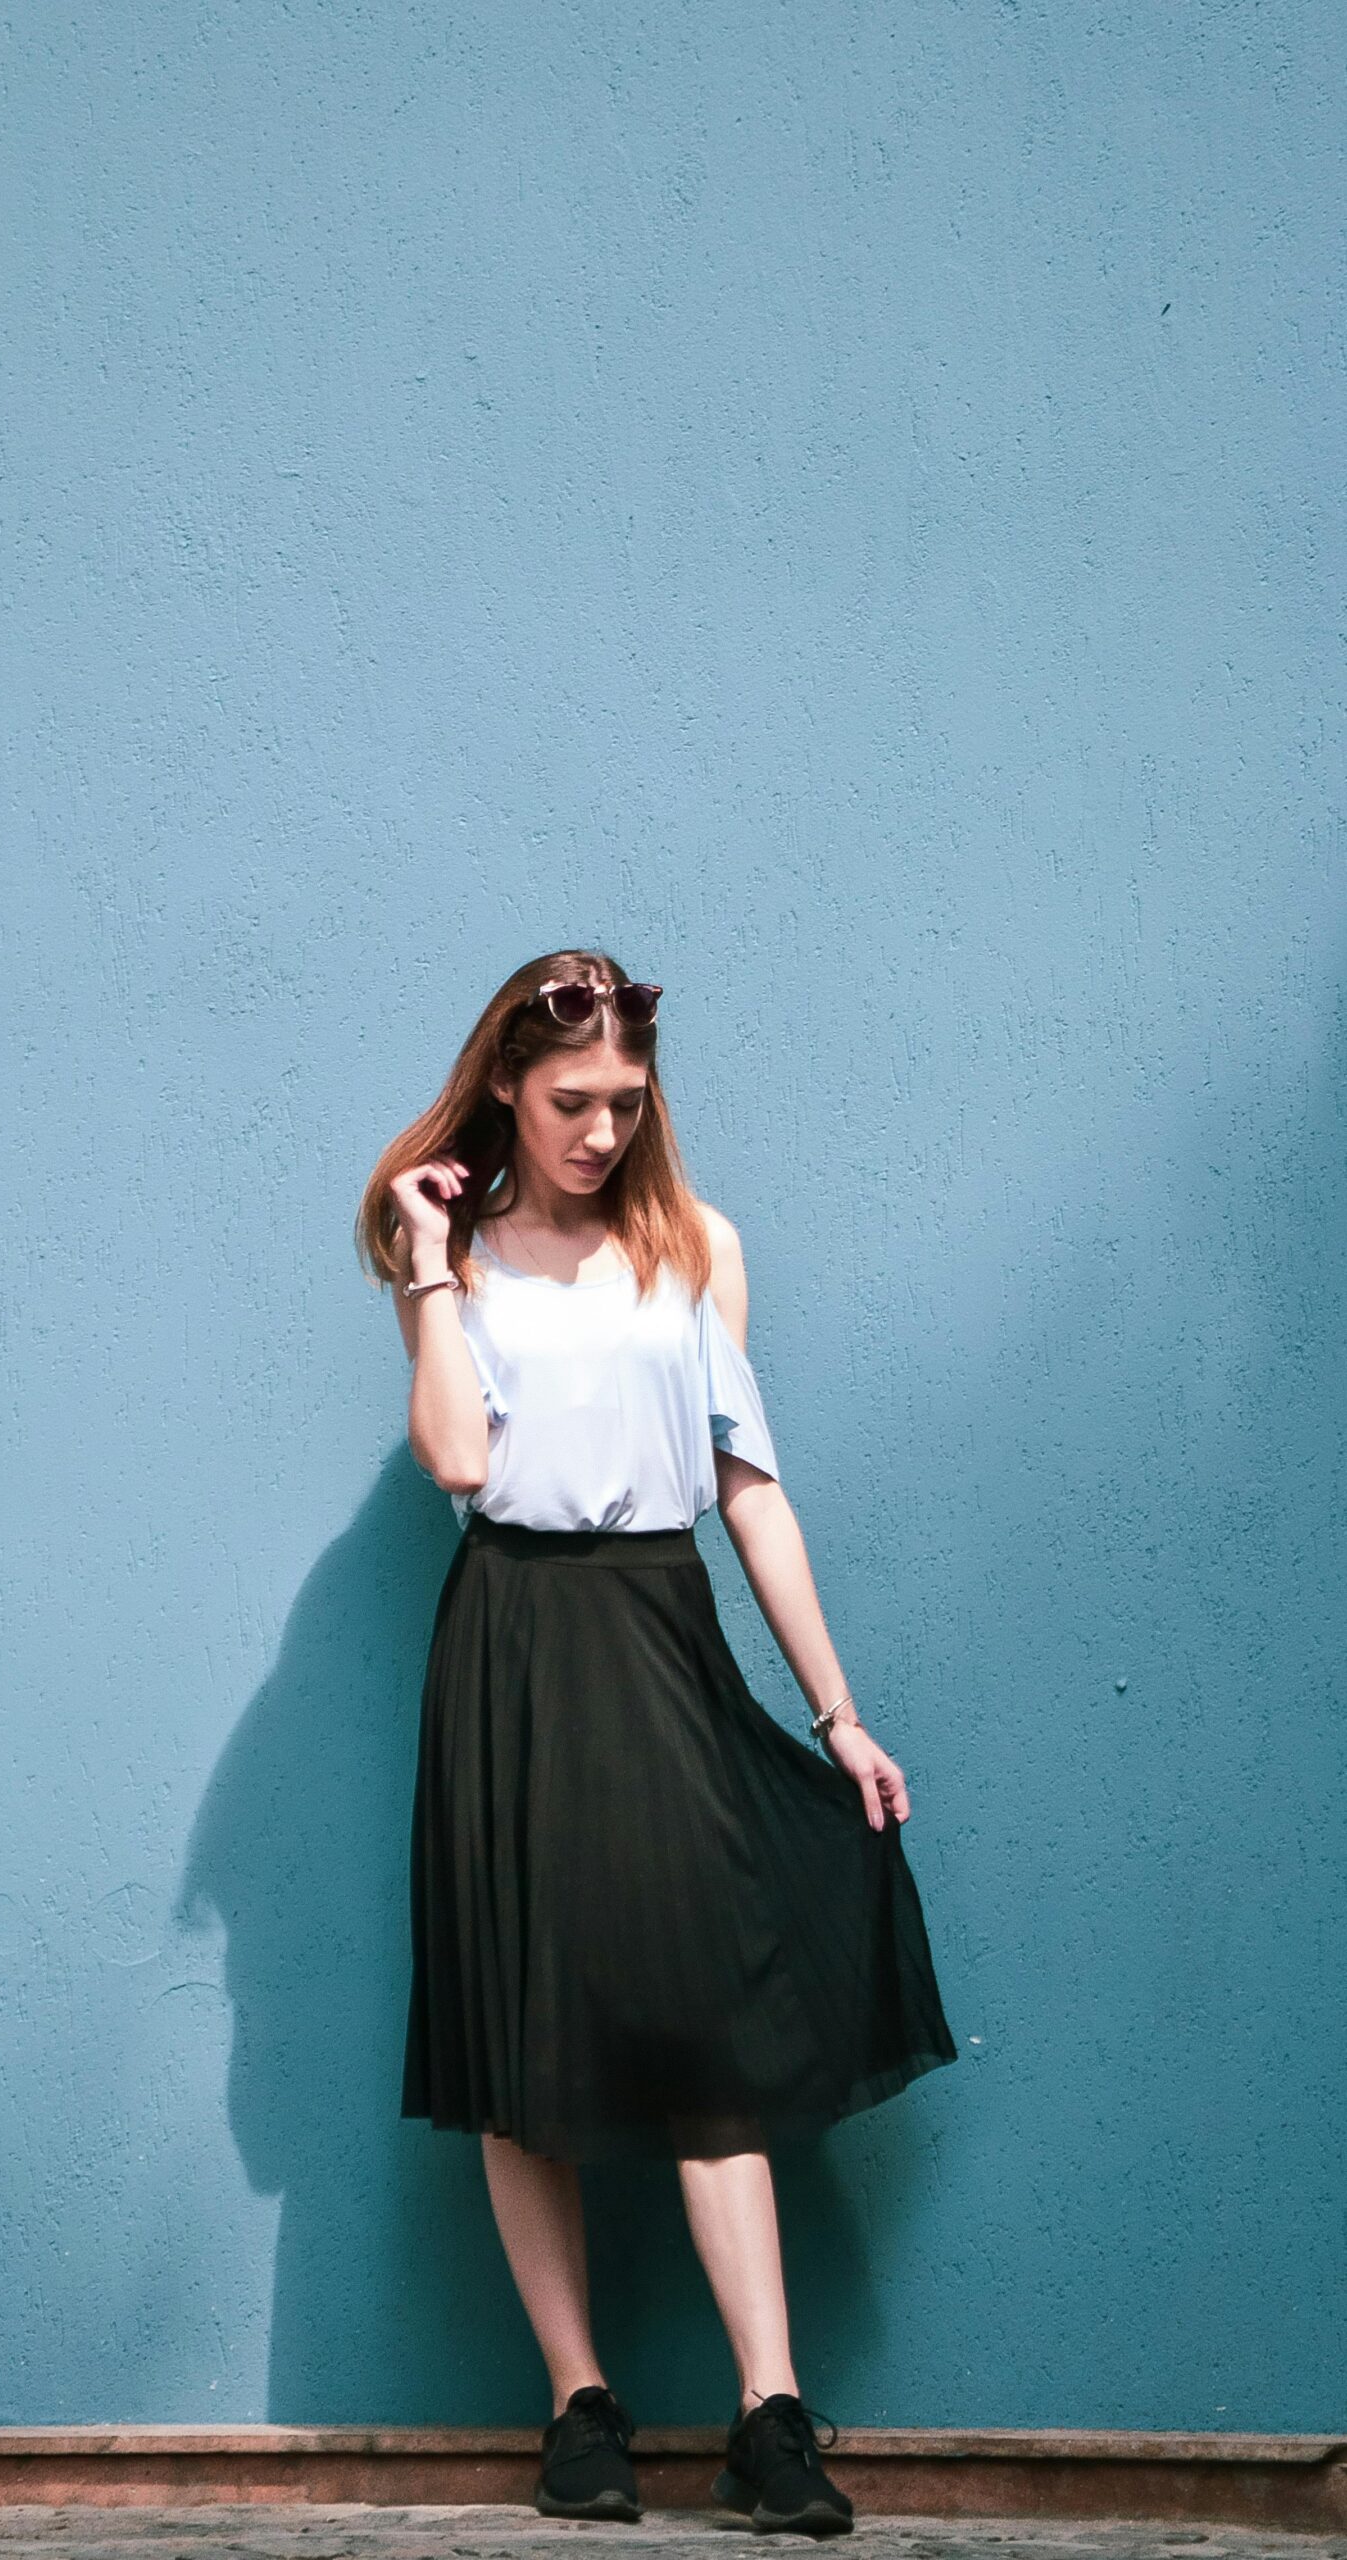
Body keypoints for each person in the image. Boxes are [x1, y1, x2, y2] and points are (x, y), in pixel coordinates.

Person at [355, 950, 957, 2537]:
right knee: (519, 2032)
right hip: (508, 1642)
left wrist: (838, 1710)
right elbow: (462, 1460)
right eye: (570, 1102)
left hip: (657, 1623)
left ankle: (771, 2418)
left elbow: (749, 1483)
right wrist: (427, 1256)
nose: (601, 1129)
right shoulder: (458, 1254)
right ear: (506, 1086)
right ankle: (580, 2404)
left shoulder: (697, 1251)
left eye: (626, 1101)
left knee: (710, 2026)